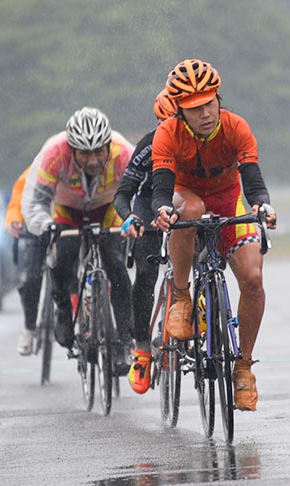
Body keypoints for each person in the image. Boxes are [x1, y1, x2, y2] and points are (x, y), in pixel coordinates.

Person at [151, 59, 277, 411]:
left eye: (210, 104)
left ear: (218, 99)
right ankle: (181, 297)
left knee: (253, 279)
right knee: (187, 211)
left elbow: (253, 181)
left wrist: (262, 206)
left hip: (227, 198)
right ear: (179, 112)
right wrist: (161, 209)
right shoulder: (167, 134)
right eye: (195, 109)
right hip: (186, 194)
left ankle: (243, 367)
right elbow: (161, 188)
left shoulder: (236, 127)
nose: (206, 113)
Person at [21, 107, 136, 366]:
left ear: (109, 144)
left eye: (99, 151)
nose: (94, 160)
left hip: (108, 208)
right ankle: (63, 309)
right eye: (85, 153)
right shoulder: (54, 152)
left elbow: (142, 192)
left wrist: (135, 218)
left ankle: (124, 340)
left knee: (116, 263)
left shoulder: (122, 152)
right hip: (67, 209)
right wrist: (45, 224)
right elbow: (34, 203)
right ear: (72, 150)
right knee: (63, 258)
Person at [113, 89, 176, 394]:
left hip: (184, 201)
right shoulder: (149, 145)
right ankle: (142, 348)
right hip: (149, 202)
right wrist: (129, 217)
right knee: (147, 272)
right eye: (169, 123)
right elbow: (124, 193)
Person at [5, 166, 51, 355]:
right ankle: (29, 328)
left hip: (66, 226)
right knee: (31, 279)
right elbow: (17, 199)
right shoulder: (37, 169)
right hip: (36, 230)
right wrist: (14, 220)